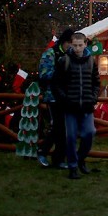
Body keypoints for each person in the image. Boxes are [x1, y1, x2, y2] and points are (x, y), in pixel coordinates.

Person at [54, 31, 100, 180]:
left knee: (89, 133)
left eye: (80, 45)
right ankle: (73, 167)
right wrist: (64, 99)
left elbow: (96, 82)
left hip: (86, 105)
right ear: (71, 45)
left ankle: (80, 159)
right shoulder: (64, 61)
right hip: (70, 106)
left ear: (85, 44)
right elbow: (57, 84)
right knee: (71, 137)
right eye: (75, 46)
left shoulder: (91, 61)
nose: (77, 49)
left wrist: (93, 98)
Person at [37, 28, 72, 169]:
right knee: (57, 126)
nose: (71, 46)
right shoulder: (50, 54)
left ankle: (58, 159)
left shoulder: (71, 56)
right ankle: (42, 151)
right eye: (70, 43)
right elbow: (44, 75)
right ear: (64, 42)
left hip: (67, 96)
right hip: (52, 96)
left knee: (64, 128)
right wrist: (60, 70)